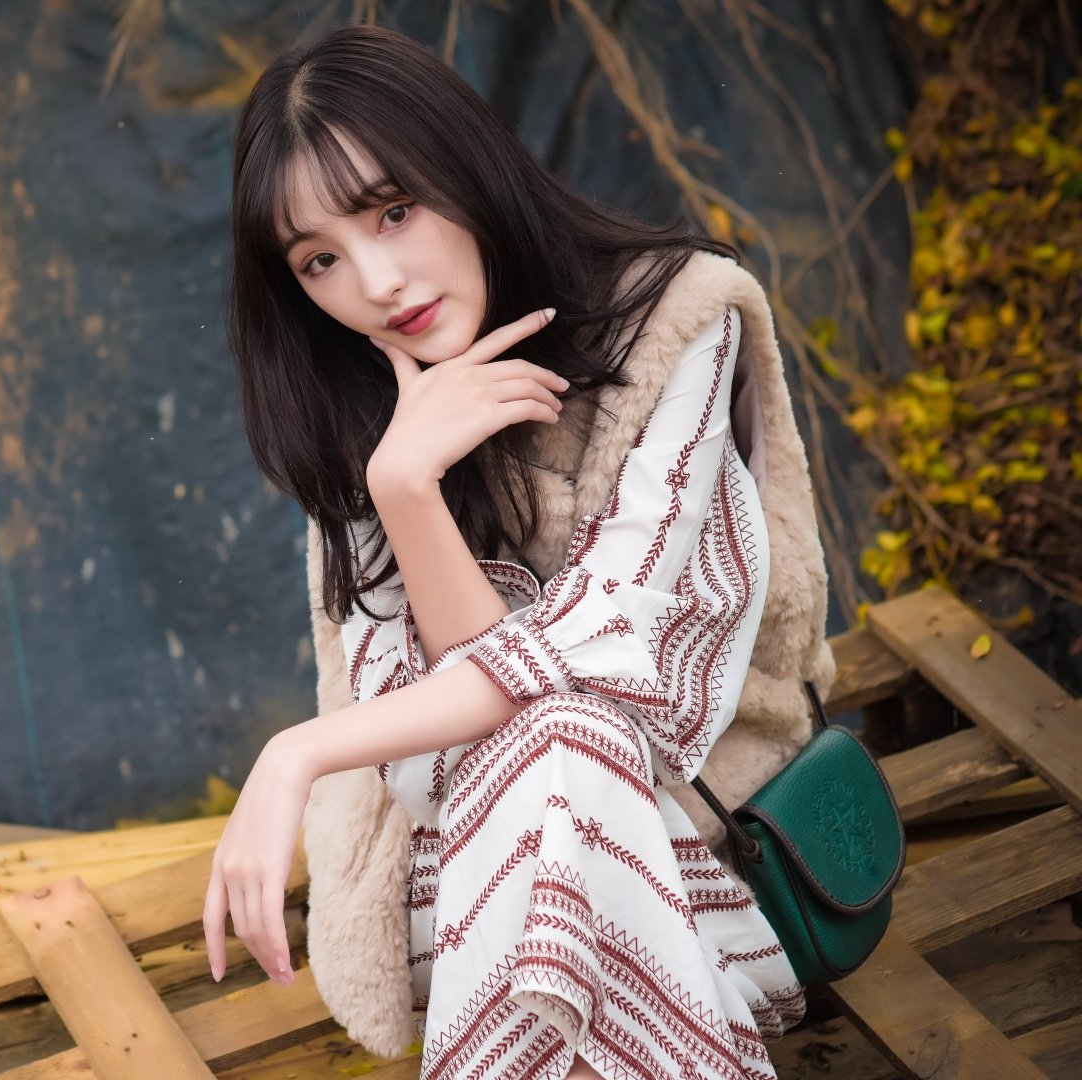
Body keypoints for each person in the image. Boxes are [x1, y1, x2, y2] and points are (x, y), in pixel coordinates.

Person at [200, 24, 835, 1080]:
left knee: (564, 749)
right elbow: (436, 757)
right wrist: (403, 487)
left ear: (466, 162)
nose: (376, 280)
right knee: (542, 761)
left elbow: (608, 665)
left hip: (711, 828)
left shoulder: (676, 322)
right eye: (320, 260)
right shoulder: (360, 412)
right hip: (468, 874)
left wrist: (296, 752)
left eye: (393, 210)